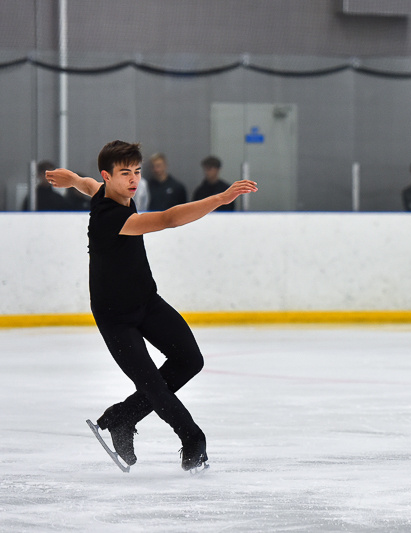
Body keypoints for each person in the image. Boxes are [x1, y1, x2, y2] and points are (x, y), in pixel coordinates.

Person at [45, 140, 257, 471]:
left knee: (190, 360)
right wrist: (221, 198)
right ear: (109, 175)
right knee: (153, 386)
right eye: (125, 173)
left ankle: (121, 417)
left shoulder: (107, 191)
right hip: (116, 318)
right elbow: (170, 219)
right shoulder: (108, 217)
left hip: (146, 301)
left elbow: (89, 185)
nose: (133, 180)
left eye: (137, 172)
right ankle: (192, 439)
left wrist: (72, 178)